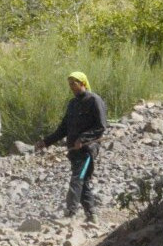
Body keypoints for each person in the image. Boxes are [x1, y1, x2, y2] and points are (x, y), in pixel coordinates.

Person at [35, 71, 108, 223]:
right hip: (73, 150)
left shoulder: (94, 100)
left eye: (74, 84)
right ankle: (92, 215)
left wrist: (83, 139)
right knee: (83, 181)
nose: (71, 87)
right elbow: (63, 129)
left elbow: (101, 126)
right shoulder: (72, 104)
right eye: (70, 84)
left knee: (77, 179)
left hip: (87, 149)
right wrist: (46, 142)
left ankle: (70, 213)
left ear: (83, 83)